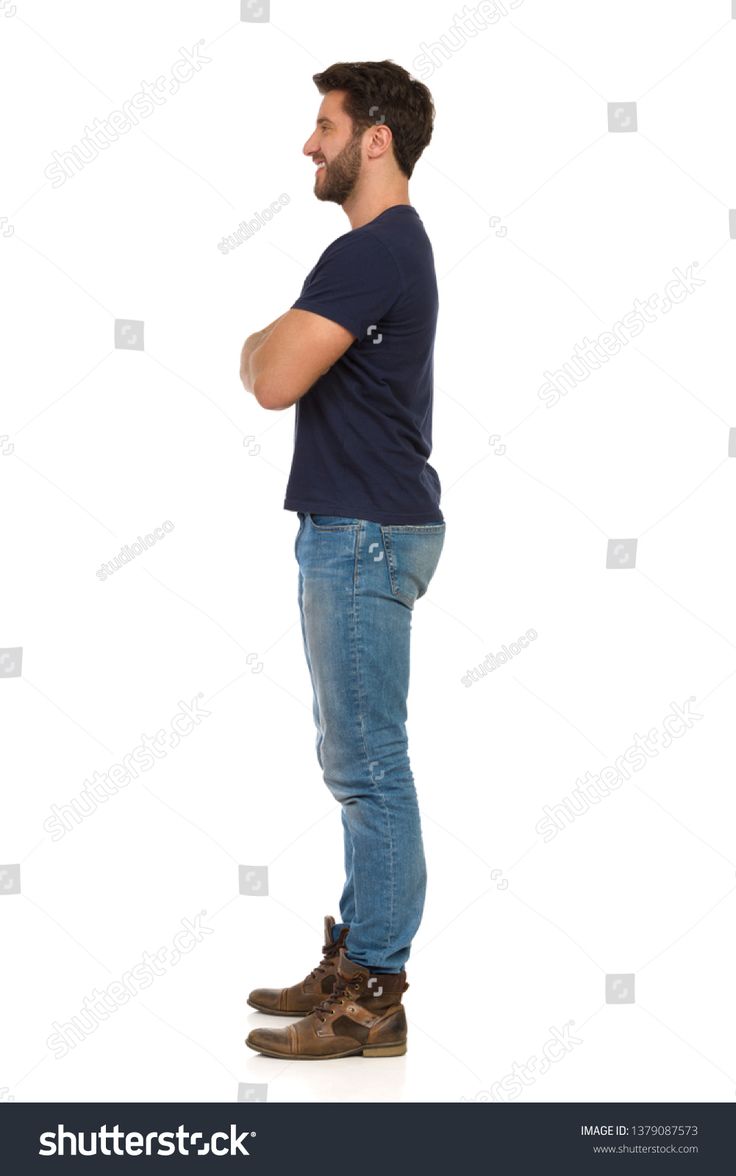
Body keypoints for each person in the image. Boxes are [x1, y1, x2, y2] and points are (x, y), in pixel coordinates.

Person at [240, 60, 445, 1060]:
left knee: (368, 769)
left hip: (361, 528)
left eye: (323, 124)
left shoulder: (371, 253)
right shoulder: (380, 252)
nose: (308, 143)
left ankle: (373, 995)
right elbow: (278, 367)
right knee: (357, 763)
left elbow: (271, 376)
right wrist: (266, 345)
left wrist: (258, 342)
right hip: (363, 523)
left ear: (376, 138)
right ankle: (357, 954)